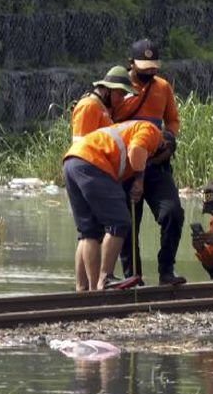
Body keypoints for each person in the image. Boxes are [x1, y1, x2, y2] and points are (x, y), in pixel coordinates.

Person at [112, 38, 186, 286]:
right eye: (145, 67)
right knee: (127, 223)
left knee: (172, 213)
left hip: (156, 163)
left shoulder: (163, 87)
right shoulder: (119, 88)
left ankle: (167, 270)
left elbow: (173, 120)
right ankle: (133, 276)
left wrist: (170, 138)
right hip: (126, 167)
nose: (150, 71)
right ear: (131, 63)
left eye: (153, 66)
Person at [63, 119, 163, 291]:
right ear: (165, 144)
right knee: (119, 222)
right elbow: (137, 149)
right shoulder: (153, 132)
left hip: (72, 161)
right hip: (93, 161)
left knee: (89, 231)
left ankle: (85, 289)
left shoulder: (128, 129)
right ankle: (105, 278)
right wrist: (140, 180)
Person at [69, 66, 134, 291]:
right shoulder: (88, 106)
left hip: (84, 171)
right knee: (104, 226)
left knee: (88, 231)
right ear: (106, 89)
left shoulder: (101, 108)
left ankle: (84, 289)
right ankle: (98, 283)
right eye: (119, 94)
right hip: (88, 171)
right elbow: (82, 145)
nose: (121, 99)